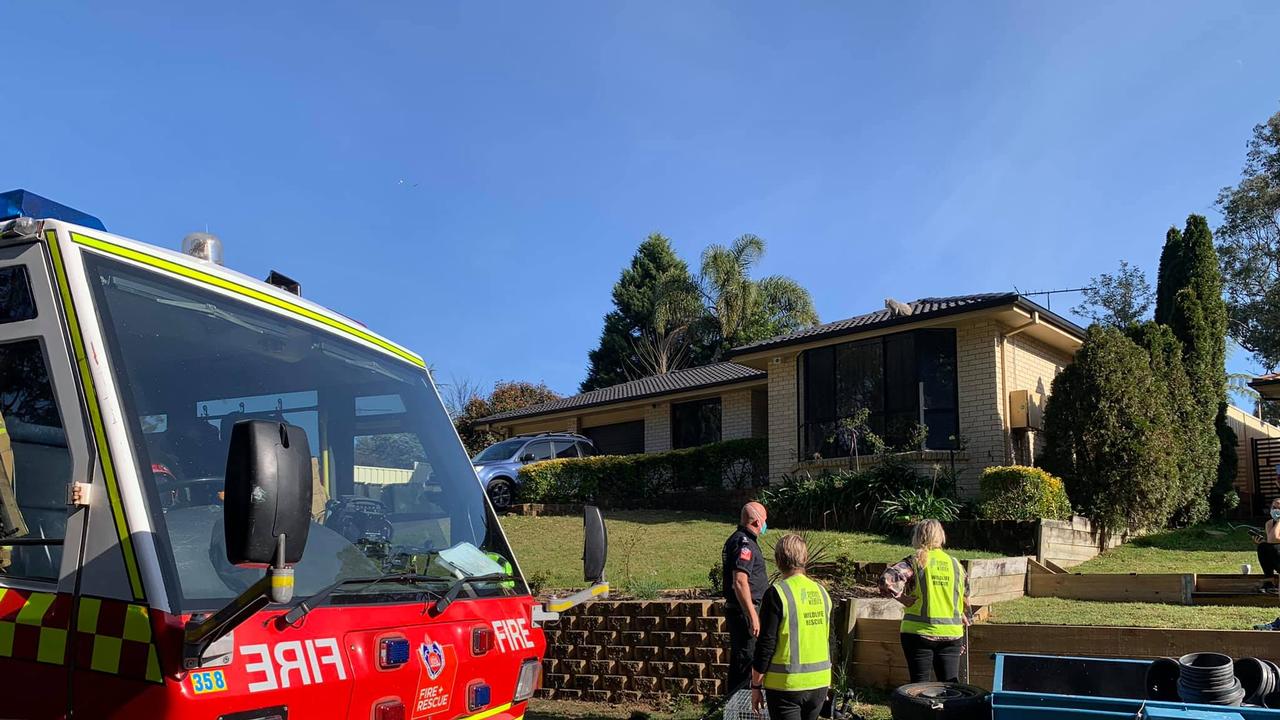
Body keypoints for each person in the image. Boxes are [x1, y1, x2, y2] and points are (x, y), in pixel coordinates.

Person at [750, 533, 833, 720]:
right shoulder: (822, 592)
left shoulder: (776, 593)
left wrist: (755, 685)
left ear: (779, 560)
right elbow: (829, 640)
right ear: (805, 558)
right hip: (819, 683)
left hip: (786, 687)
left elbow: (766, 644)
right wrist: (828, 682)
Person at [879, 519, 970, 684]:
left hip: (918, 632)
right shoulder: (956, 564)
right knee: (950, 687)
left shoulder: (916, 561)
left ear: (918, 537)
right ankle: (949, 710)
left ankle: (921, 710)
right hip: (952, 633)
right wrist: (964, 617)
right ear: (941, 537)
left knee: (919, 686)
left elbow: (887, 580)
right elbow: (965, 596)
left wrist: (904, 599)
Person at [722, 501, 769, 696]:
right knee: (746, 661)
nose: (766, 525)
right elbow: (740, 581)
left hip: (743, 610)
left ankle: (740, 707)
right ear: (757, 521)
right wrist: (752, 615)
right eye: (765, 520)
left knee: (742, 659)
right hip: (744, 612)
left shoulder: (738, 539)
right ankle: (740, 707)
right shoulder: (744, 544)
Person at [1256, 498, 1280, 589]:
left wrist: (1279, 521)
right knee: (1262, 546)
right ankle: (1269, 580)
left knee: (1274, 547)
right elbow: (1271, 541)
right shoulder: (1269, 523)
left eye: (1279, 508)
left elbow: (1273, 539)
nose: (1276, 510)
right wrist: (1261, 542)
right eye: (1274, 507)